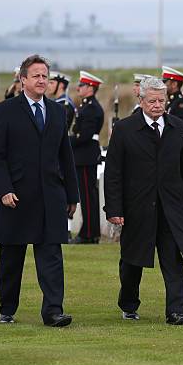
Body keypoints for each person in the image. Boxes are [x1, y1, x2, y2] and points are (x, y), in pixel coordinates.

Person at [0, 54, 79, 327]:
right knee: (12, 258)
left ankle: (53, 312)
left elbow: (66, 156)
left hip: (50, 197)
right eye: (36, 75)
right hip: (15, 197)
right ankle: (7, 309)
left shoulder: (57, 112)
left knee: (51, 257)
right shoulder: (5, 111)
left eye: (45, 76)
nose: (42, 80)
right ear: (23, 79)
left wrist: (72, 195)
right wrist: (4, 189)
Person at [104, 77, 183, 325]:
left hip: (170, 207)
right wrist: (114, 209)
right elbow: (113, 173)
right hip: (137, 208)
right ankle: (128, 304)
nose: (157, 105)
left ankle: (176, 311)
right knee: (132, 261)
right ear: (141, 100)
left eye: (161, 100)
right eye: (152, 101)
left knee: (173, 260)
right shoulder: (124, 129)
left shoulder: (176, 126)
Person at [70, 71, 105, 244]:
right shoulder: (86, 106)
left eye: (82, 85)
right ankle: (88, 231)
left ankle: (89, 233)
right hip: (83, 156)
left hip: (86, 156)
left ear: (90, 87)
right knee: (85, 196)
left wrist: (67, 140)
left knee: (88, 196)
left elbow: (83, 135)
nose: (78, 88)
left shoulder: (91, 108)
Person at [162, 66, 183, 137]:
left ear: (174, 84)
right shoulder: (172, 101)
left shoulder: (181, 103)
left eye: (165, 82)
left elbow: (178, 126)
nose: (163, 85)